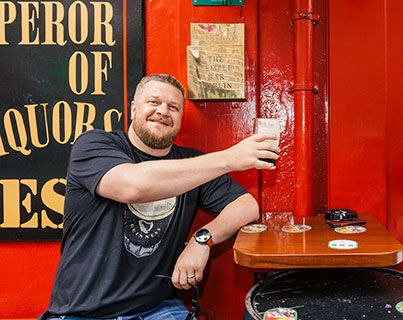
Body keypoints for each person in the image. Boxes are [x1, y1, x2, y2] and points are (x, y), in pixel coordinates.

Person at [40, 74, 279, 319]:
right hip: (82, 313)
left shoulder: (191, 162)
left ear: (180, 119)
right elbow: (133, 186)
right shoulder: (94, 145)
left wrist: (202, 239)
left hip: (156, 309)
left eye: (173, 107)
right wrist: (230, 158)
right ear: (134, 109)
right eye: (154, 102)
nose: (163, 111)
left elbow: (247, 206)